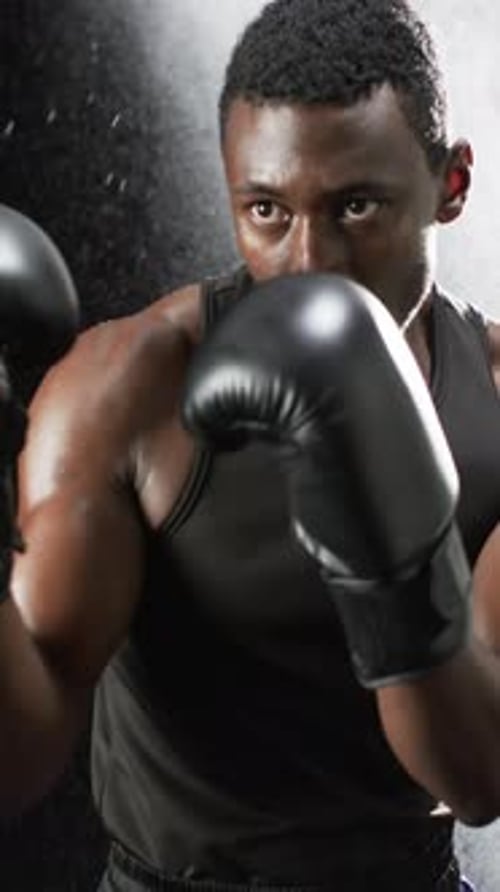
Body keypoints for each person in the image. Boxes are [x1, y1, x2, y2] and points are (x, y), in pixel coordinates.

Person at [1, 0, 499, 890]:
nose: (308, 265)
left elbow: (477, 775)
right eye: (266, 210)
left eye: (356, 207)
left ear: (451, 185)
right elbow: (20, 744)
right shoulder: (129, 391)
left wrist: (387, 543)